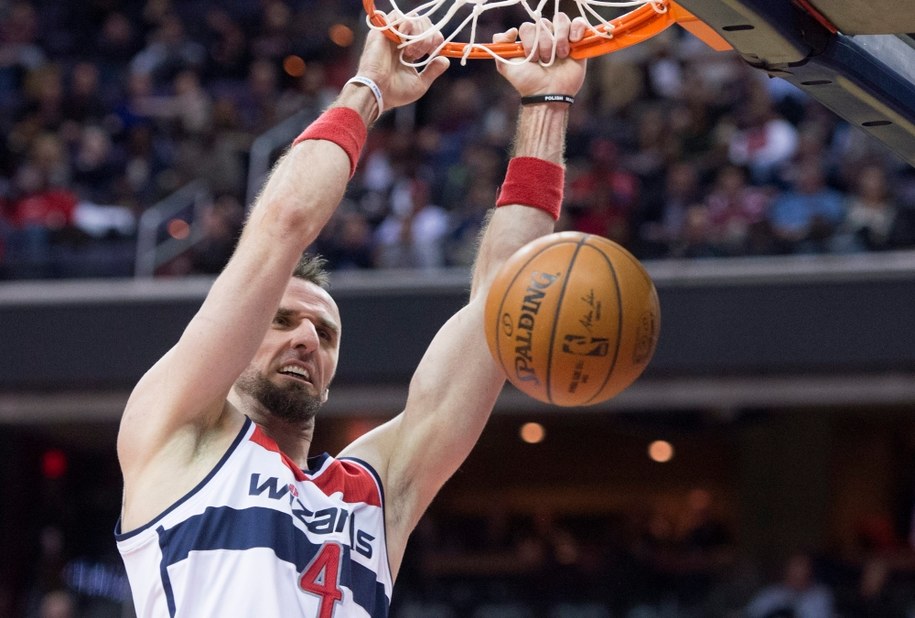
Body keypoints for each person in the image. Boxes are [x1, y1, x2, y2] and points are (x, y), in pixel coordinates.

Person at [114, 11, 588, 618]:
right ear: (236, 338)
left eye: (326, 332)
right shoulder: (175, 432)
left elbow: (504, 299)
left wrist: (546, 103)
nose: (308, 338)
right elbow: (282, 224)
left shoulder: (375, 490)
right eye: (283, 321)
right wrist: (369, 90)